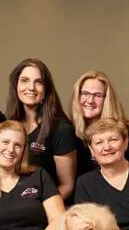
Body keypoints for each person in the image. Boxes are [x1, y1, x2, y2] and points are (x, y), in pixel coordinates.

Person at [6, 59, 77, 199]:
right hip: (13, 204)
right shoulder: (8, 126)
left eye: (38, 82)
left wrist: (38, 208)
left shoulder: (61, 129)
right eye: (24, 80)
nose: (31, 87)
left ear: (46, 89)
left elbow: (67, 185)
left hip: (45, 207)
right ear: (16, 85)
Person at [69, 71, 129, 177]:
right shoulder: (67, 131)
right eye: (85, 93)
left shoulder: (121, 132)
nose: (90, 100)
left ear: (106, 100)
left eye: (98, 95)